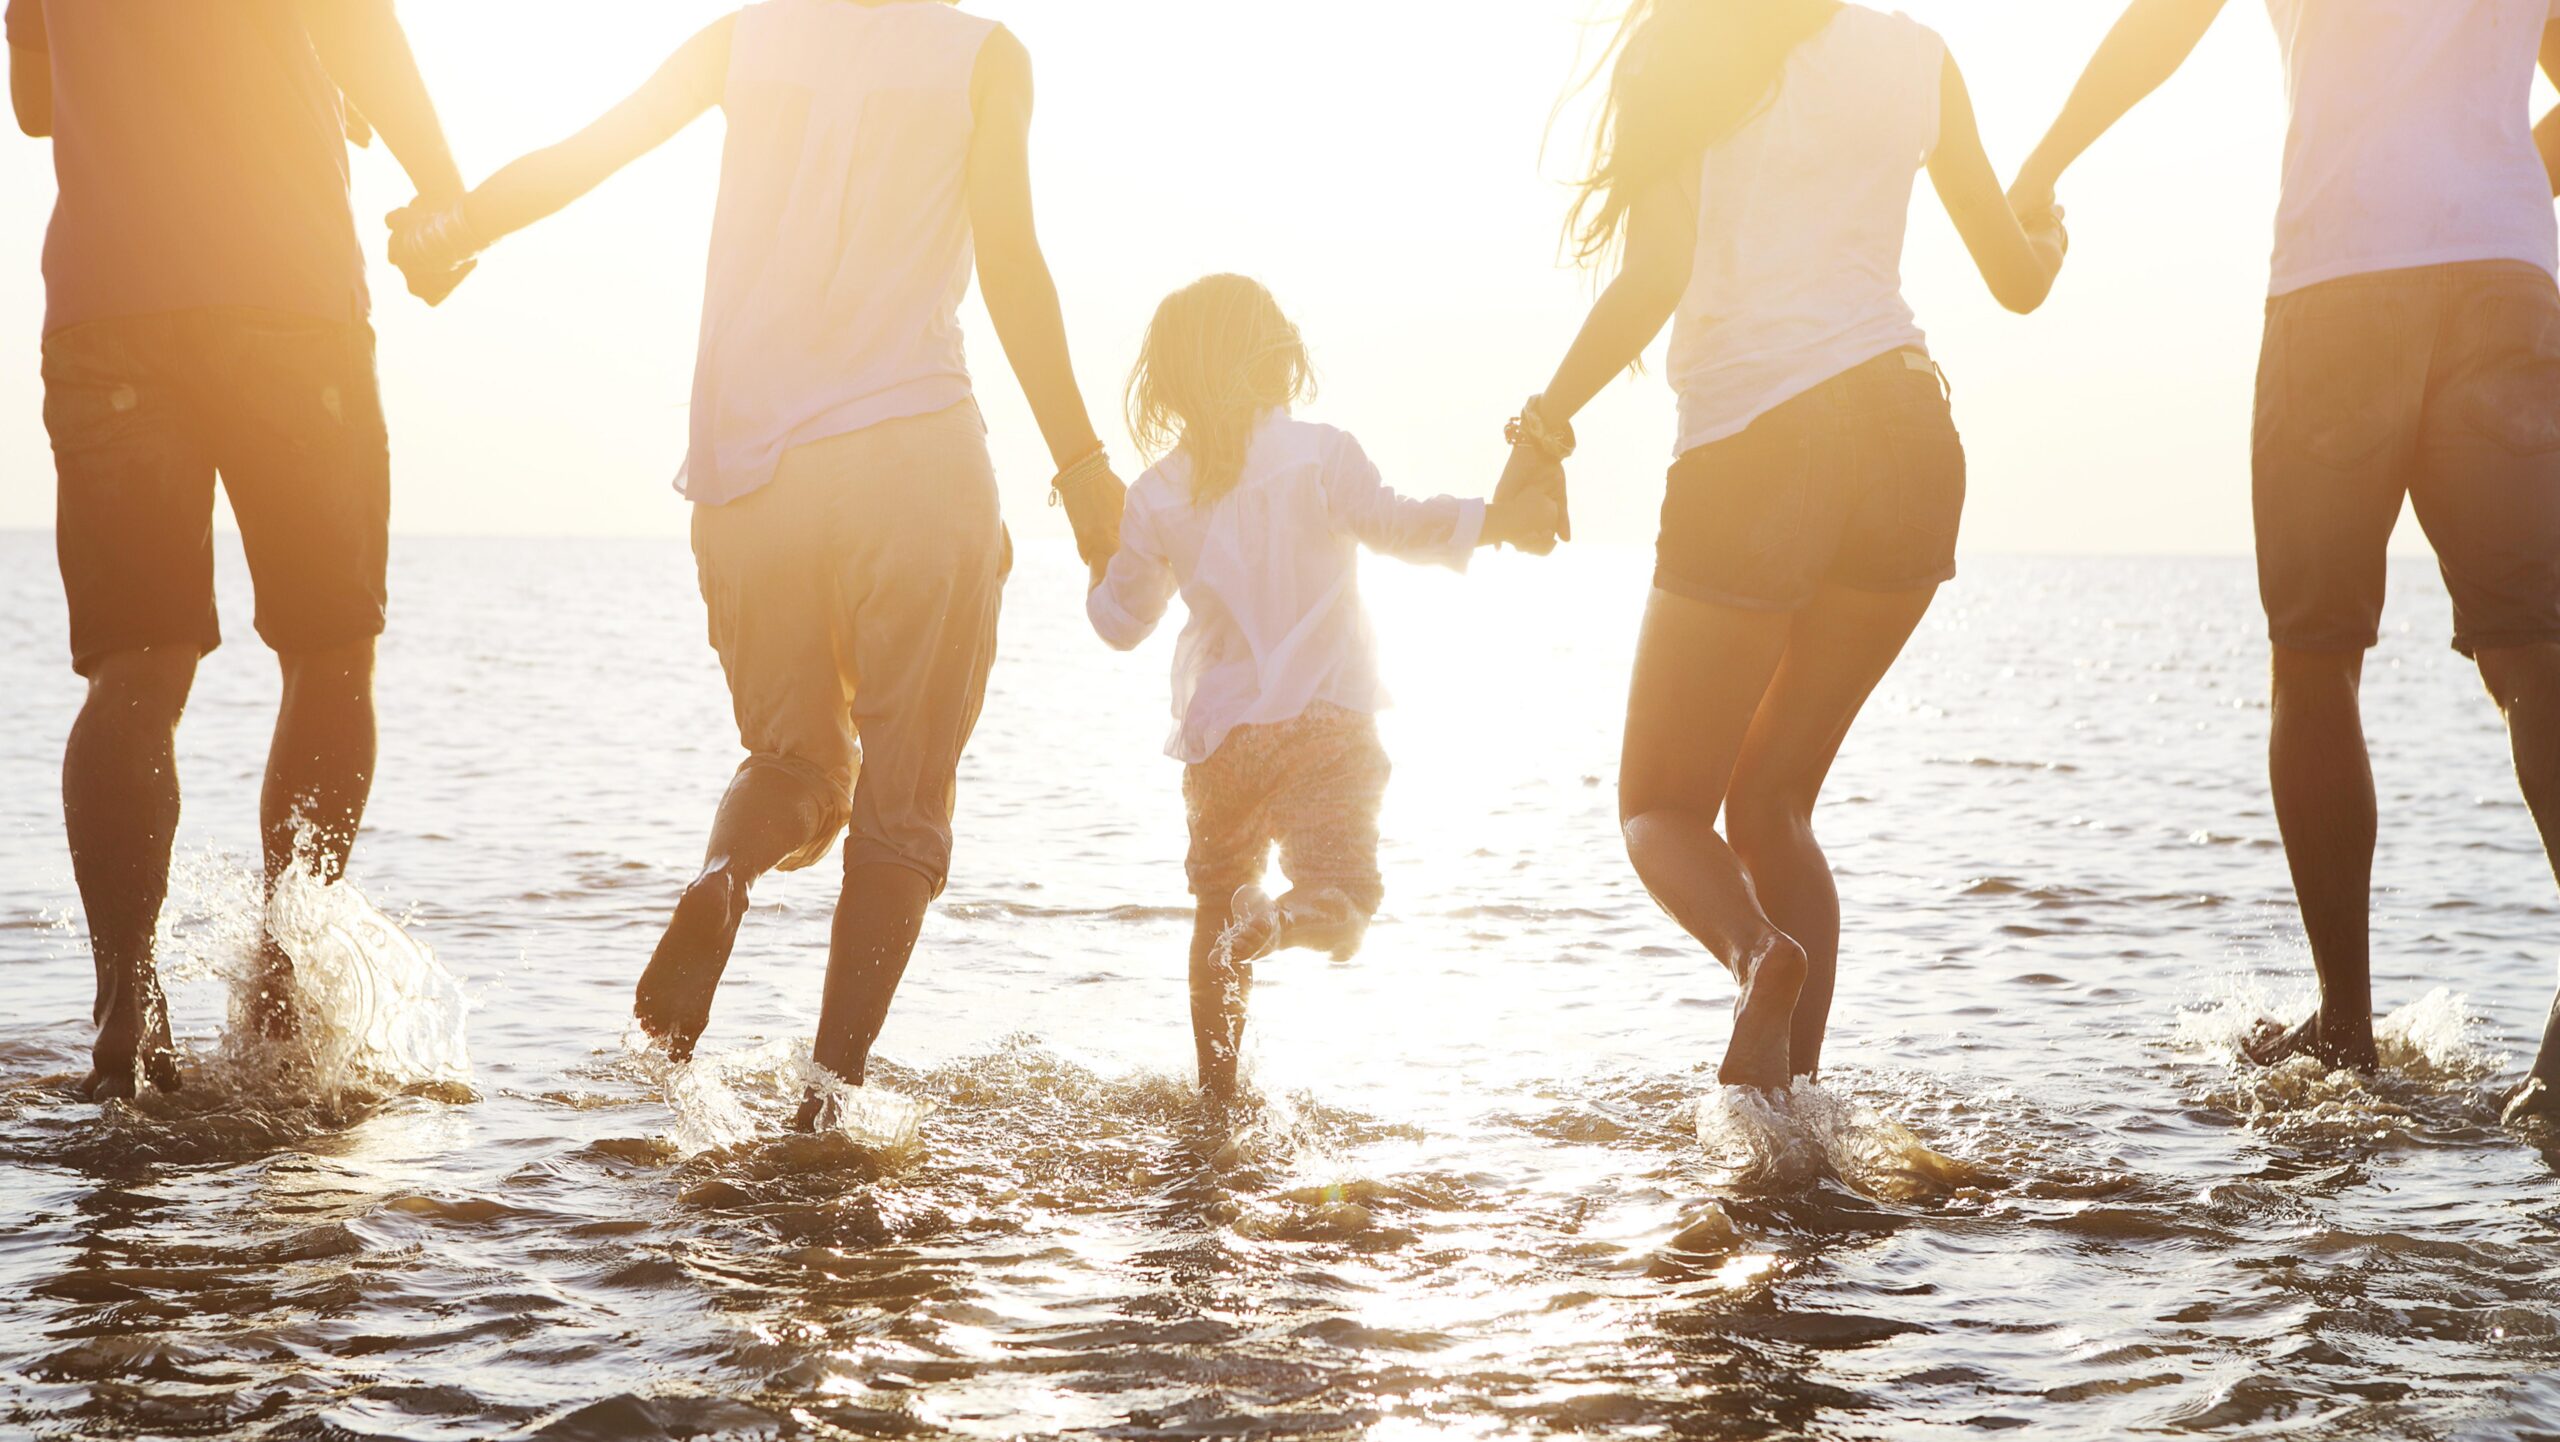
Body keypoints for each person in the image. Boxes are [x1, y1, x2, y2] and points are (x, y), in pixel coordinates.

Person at [387, 0, 1127, 1127]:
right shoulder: (984, 57)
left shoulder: (746, 36)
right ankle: (826, 1106)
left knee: (793, 766)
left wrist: (455, 226)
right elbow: (1013, 262)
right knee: (900, 806)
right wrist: (1081, 468)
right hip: (912, 462)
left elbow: (591, 152)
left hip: (752, 477)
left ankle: (723, 879)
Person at [1491, 0, 2065, 1089]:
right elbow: (2018, 281)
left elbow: (1656, 273)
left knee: (1659, 806)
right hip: (1908, 438)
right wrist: (2047, 233)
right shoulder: (1919, 56)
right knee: (1773, 802)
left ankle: (1759, 955)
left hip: (1757, 446)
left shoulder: (1682, 45)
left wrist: (1544, 424)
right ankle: (1790, 1120)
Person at [2008, 1, 2560, 1113]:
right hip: (2504, 283)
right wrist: (2502, 184)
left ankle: (2344, 1022)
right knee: (2532, 649)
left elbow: (2162, 27)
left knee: (2314, 660)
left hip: (2337, 280)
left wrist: (2038, 168)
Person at [8, 0, 469, 1102]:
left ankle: (126, 996)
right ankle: (277, 969)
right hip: (286, 291)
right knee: (327, 648)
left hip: (107, 307)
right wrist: (441, 185)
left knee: (138, 666)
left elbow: (33, 104)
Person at [1085, 274, 1559, 1099]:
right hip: (1327, 725)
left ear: (1167, 382)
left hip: (1220, 743)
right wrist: (1500, 520)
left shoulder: (1156, 493)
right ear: (1277, 358)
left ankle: (1217, 1101)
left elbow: (1121, 623)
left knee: (1212, 912)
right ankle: (1285, 922)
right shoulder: (1320, 455)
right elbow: (1399, 525)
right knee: (1344, 907)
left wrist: (1101, 562)